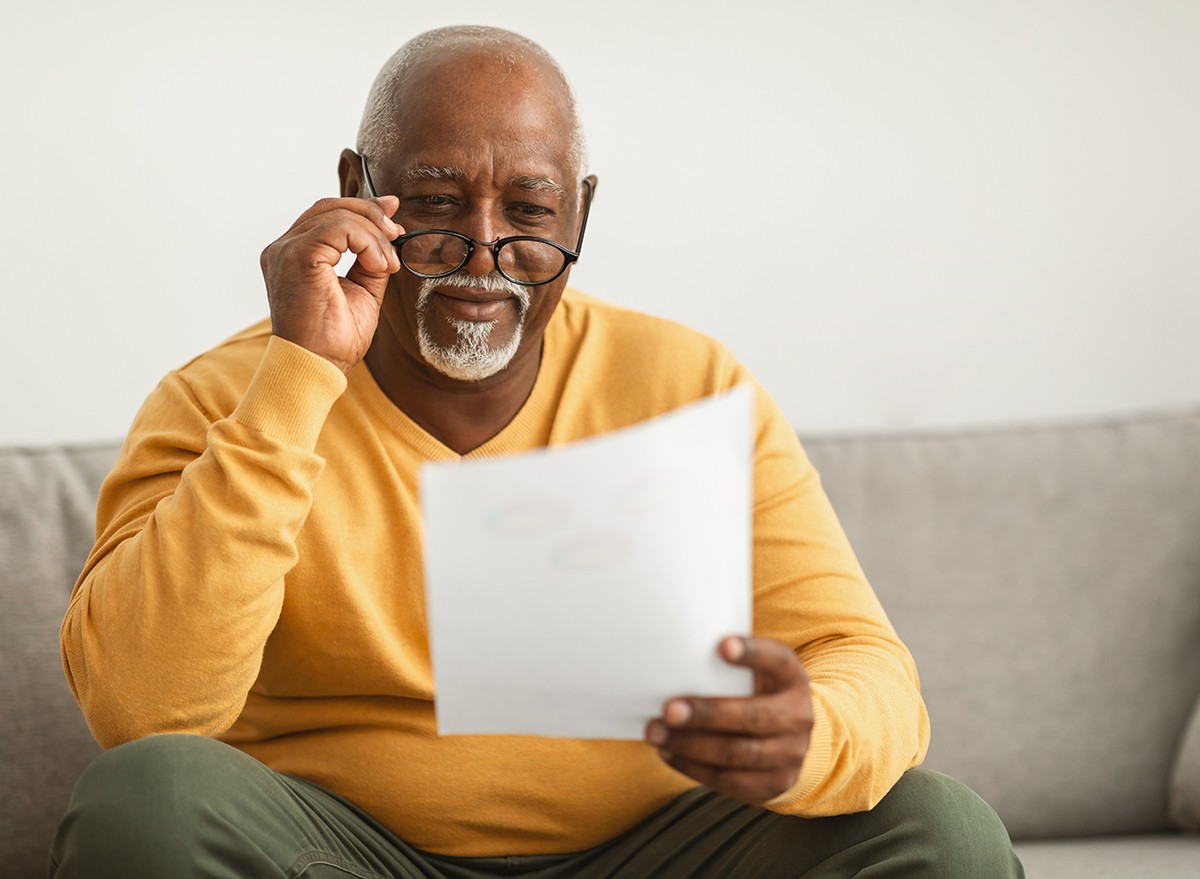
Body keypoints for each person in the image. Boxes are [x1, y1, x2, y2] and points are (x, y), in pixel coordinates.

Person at [52, 25, 1023, 879]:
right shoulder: (226, 396)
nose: (484, 250)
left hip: (658, 847)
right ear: (357, 192)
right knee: (148, 799)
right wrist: (300, 374)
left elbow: (863, 661)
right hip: (340, 854)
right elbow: (142, 712)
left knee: (945, 833)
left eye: (528, 210)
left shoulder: (690, 384)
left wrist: (815, 738)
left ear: (582, 213)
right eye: (433, 203)